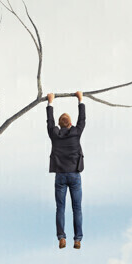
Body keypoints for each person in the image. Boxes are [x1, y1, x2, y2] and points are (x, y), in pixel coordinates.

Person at [46, 90, 85, 249]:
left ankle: (61, 237)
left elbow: (50, 122)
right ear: (70, 124)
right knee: (77, 208)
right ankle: (77, 239)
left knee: (60, 208)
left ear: (59, 125)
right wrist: (80, 99)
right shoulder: (76, 133)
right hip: (74, 174)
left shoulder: (54, 134)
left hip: (60, 176)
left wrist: (50, 102)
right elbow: (82, 120)